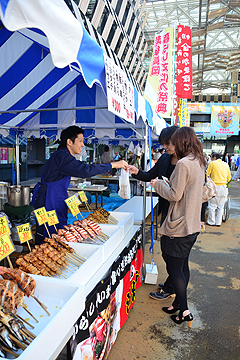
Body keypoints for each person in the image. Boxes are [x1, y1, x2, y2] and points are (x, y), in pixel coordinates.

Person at [32, 126, 128, 244]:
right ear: (69, 142)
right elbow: (85, 170)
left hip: (53, 199)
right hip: (49, 201)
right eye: (80, 141)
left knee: (57, 233)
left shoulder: (61, 155)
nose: (83, 145)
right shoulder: (62, 156)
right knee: (51, 237)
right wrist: (112, 165)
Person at [149, 127, 206, 327]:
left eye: (172, 142)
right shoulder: (199, 161)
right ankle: (177, 305)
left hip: (178, 226)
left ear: (181, 142)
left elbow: (174, 195)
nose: (169, 146)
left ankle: (185, 311)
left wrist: (157, 184)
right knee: (182, 267)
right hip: (191, 225)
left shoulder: (183, 163)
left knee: (175, 270)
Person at [128, 126, 178, 300]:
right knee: (166, 250)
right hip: (166, 210)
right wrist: (137, 172)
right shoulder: (164, 159)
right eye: (163, 143)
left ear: (179, 140)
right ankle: (173, 283)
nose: (165, 147)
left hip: (181, 214)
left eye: (168, 143)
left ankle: (174, 288)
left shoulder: (187, 162)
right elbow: (150, 176)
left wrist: (201, 218)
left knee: (176, 254)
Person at [206, 152, 231, 227]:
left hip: (215, 186)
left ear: (214, 158)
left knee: (212, 205)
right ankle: (218, 222)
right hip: (224, 187)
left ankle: (211, 221)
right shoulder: (226, 164)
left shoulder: (212, 163)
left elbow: (207, 174)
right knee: (221, 206)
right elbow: (229, 178)